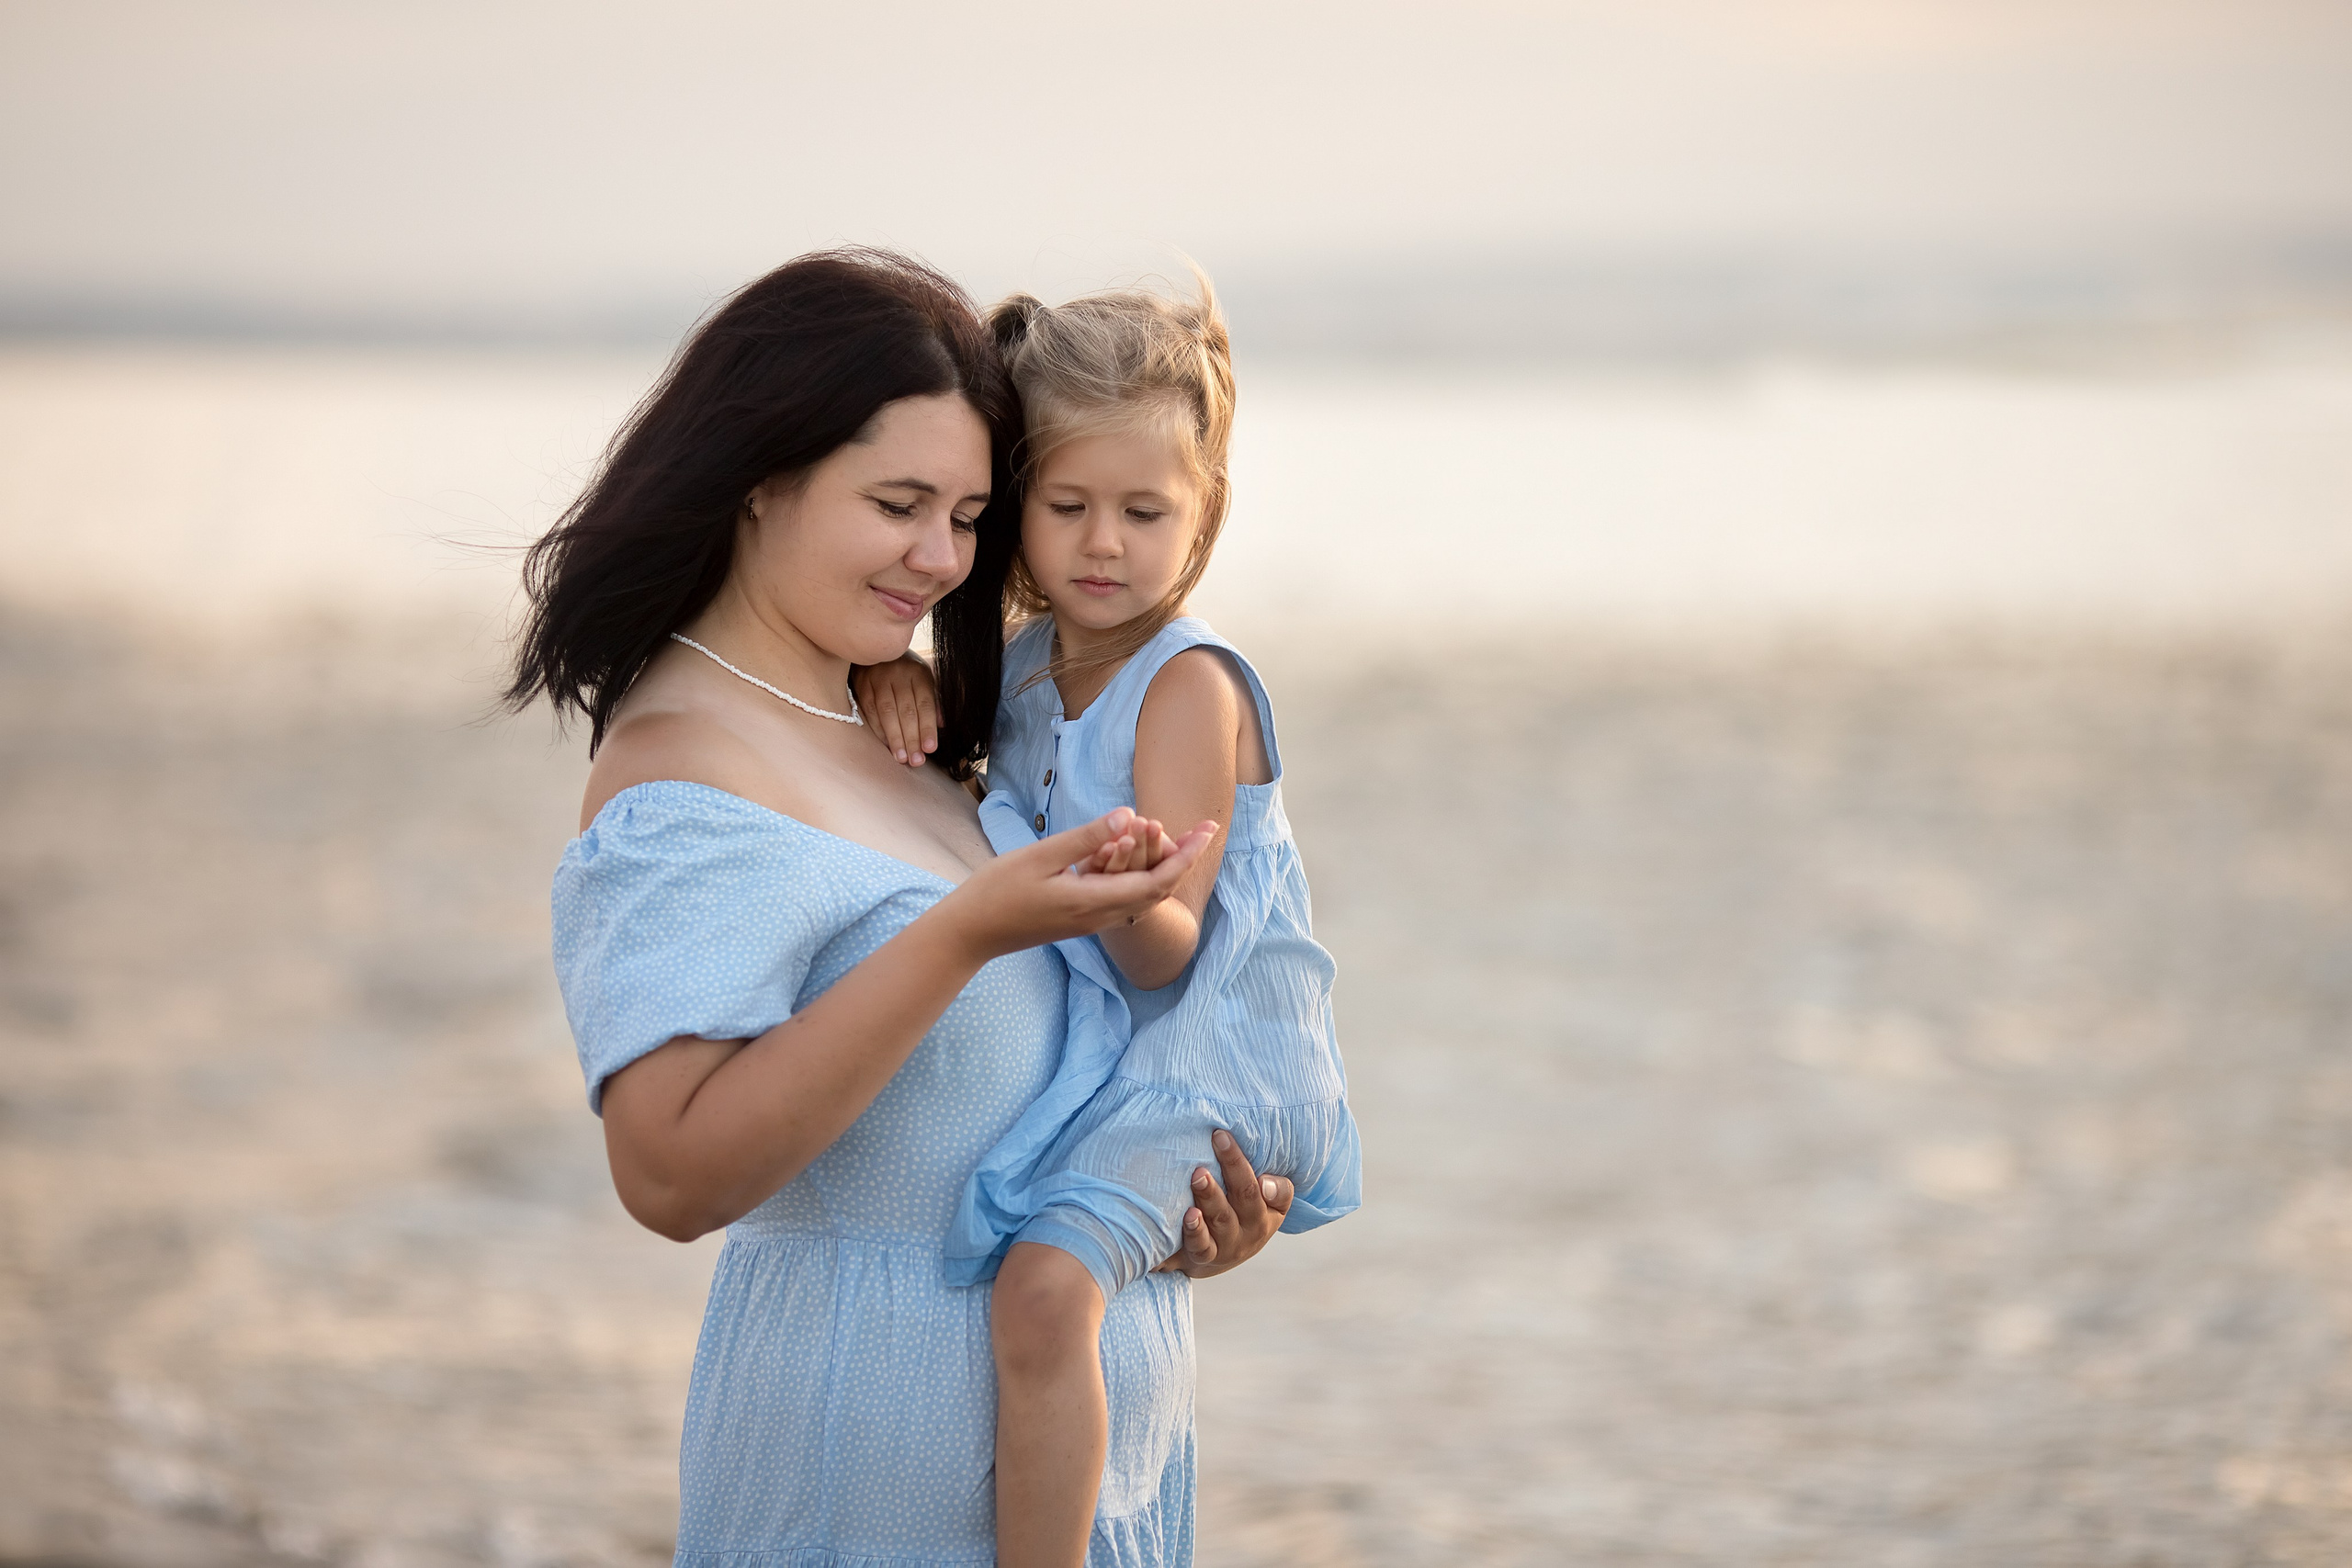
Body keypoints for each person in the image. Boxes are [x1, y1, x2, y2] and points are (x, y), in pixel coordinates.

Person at [506, 249, 1297, 1567]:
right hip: (868, 1488)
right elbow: (668, 1174)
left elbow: (1017, 1100)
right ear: (761, 480)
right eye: (898, 504)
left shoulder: (921, 731)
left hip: (1102, 1493)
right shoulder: (684, 765)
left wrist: (1187, 1224)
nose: (942, 558)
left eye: (974, 516)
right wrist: (962, 933)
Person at [854, 276, 1361, 1566]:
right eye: (1067, 506)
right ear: (1016, 502)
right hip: (1111, 1048)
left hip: (1205, 1056)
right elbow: (969, 803)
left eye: (1145, 512)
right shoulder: (1025, 669)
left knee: (1041, 1293)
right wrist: (893, 680)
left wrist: (1129, 890)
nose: (1103, 545)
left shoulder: (1185, 685)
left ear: (1207, 514)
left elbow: (1172, 951)